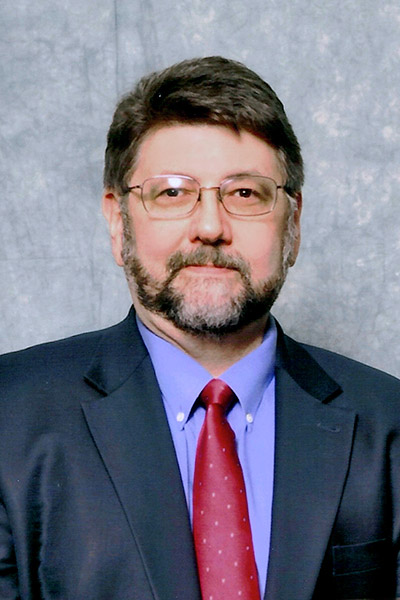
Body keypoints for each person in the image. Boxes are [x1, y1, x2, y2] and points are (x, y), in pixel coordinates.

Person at [0, 56, 399, 600]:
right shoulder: (9, 417)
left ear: (294, 225)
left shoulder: (389, 422)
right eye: (172, 193)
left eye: (244, 194)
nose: (210, 227)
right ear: (119, 224)